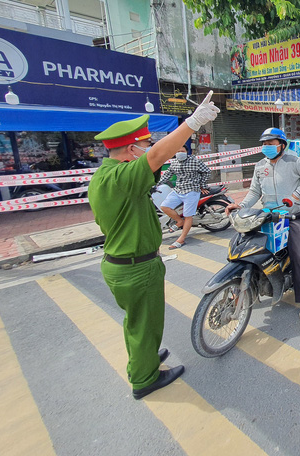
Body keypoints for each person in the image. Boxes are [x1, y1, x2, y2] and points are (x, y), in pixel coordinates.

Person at [88, 91, 219, 399]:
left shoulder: (103, 176)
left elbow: (156, 164)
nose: (150, 148)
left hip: (121, 263)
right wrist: (193, 123)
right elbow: (157, 157)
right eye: (145, 144)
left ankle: (142, 359)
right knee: (144, 324)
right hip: (136, 267)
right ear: (132, 149)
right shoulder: (121, 177)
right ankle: (145, 378)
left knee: (137, 322)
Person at [224, 128, 300, 331]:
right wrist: (241, 206)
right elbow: (254, 192)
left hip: (291, 217)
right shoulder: (260, 166)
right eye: (264, 144)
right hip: (268, 216)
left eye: (271, 143)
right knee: (246, 248)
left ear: (282, 145)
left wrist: (296, 195)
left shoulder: (294, 162)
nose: (267, 147)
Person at [157, 145, 211, 249]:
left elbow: (207, 171)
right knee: (164, 206)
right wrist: (154, 184)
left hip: (192, 191)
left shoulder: (194, 161)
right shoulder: (174, 163)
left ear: (187, 152)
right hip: (178, 190)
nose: (180, 153)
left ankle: (181, 239)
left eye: (182, 151)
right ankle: (179, 221)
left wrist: (202, 185)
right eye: (178, 151)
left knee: (188, 216)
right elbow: (166, 176)